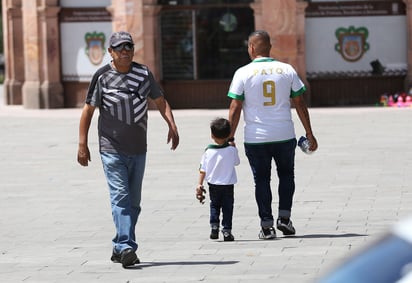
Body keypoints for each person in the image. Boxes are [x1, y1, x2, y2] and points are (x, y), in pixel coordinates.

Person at [77, 31, 179, 267]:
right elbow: (88, 111)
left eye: (128, 47)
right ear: (110, 52)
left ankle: (118, 245)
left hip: (138, 148)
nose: (125, 51)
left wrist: (172, 124)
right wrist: (82, 144)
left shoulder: (143, 74)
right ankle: (126, 247)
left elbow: (160, 101)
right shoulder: (102, 76)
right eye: (119, 48)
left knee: (134, 202)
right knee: (121, 197)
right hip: (110, 148)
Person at [227, 30, 318, 240]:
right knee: (287, 176)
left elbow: (235, 107)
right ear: (270, 47)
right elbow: (300, 103)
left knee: (261, 181)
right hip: (284, 134)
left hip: (256, 137)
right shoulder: (286, 70)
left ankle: (267, 226)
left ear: (251, 48)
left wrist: (230, 137)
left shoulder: (243, 72)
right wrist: (309, 133)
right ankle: (284, 219)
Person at [196, 118, 240, 241]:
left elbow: (202, 169)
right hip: (228, 185)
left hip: (213, 184)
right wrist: (234, 148)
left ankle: (214, 227)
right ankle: (227, 231)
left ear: (212, 135)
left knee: (214, 205)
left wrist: (199, 184)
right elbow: (237, 162)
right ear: (228, 134)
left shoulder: (208, 151)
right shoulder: (231, 150)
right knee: (227, 207)